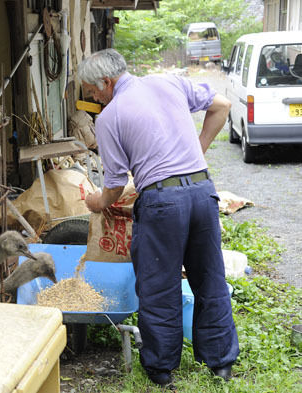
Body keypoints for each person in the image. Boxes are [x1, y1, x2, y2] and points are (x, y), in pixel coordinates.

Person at [78, 49, 239, 386]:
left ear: (106, 82)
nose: (92, 97)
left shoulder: (109, 117)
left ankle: (161, 371)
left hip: (163, 204)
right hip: (202, 191)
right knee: (209, 277)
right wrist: (198, 149)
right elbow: (221, 106)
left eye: (92, 91)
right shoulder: (168, 82)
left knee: (158, 285)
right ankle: (221, 364)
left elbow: (115, 186)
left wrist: (96, 202)